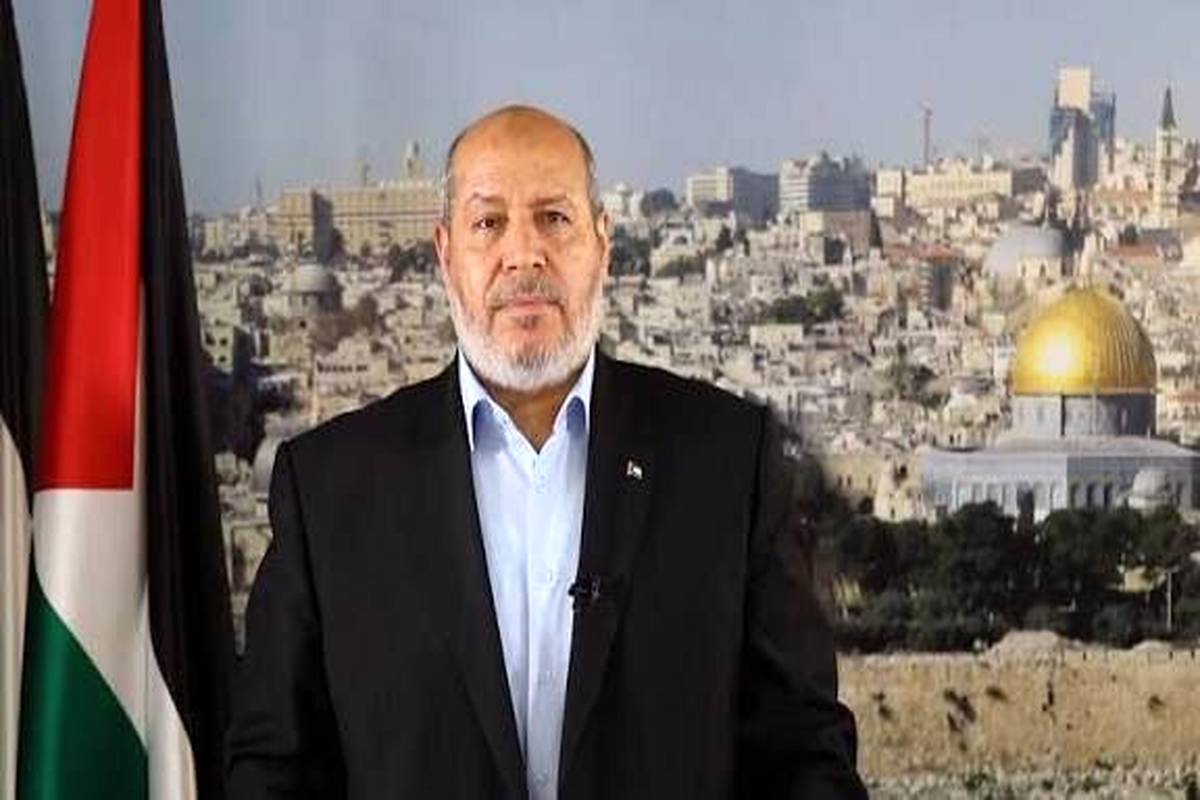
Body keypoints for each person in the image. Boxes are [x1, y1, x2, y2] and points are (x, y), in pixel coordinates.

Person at [226, 105, 866, 799]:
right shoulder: (331, 489)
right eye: (489, 223)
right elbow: (274, 769)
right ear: (445, 253)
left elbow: (804, 756)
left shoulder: (726, 464)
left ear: (603, 244)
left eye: (554, 218)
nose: (524, 254)